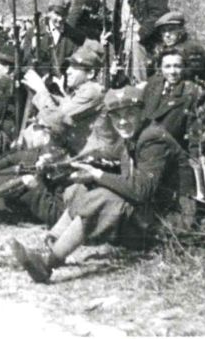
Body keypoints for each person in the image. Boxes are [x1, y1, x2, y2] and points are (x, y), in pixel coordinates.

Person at [12, 85, 184, 283]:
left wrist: (97, 174)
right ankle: (50, 246)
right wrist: (62, 163)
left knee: (104, 197)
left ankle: (48, 263)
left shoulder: (152, 139)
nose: (122, 121)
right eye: (116, 116)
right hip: (151, 213)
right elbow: (103, 155)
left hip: (170, 223)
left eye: (129, 114)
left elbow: (141, 190)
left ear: (141, 113)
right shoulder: (134, 135)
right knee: (80, 189)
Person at [21, 46, 110, 156]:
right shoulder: (83, 90)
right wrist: (42, 92)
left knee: (38, 134)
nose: (68, 71)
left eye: (75, 67)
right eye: (69, 66)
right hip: (79, 149)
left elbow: (56, 118)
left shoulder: (92, 92)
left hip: (89, 154)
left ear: (90, 73)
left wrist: (41, 90)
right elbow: (63, 105)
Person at [140, 49, 200, 151]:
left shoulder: (190, 93)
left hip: (171, 151)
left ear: (184, 68)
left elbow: (194, 135)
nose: (172, 72)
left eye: (177, 66)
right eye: (167, 66)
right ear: (160, 68)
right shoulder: (151, 87)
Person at [148, 11, 205, 88]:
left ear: (181, 31)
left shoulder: (191, 49)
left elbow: (188, 76)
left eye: (171, 30)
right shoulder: (164, 49)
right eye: (163, 31)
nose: (167, 35)